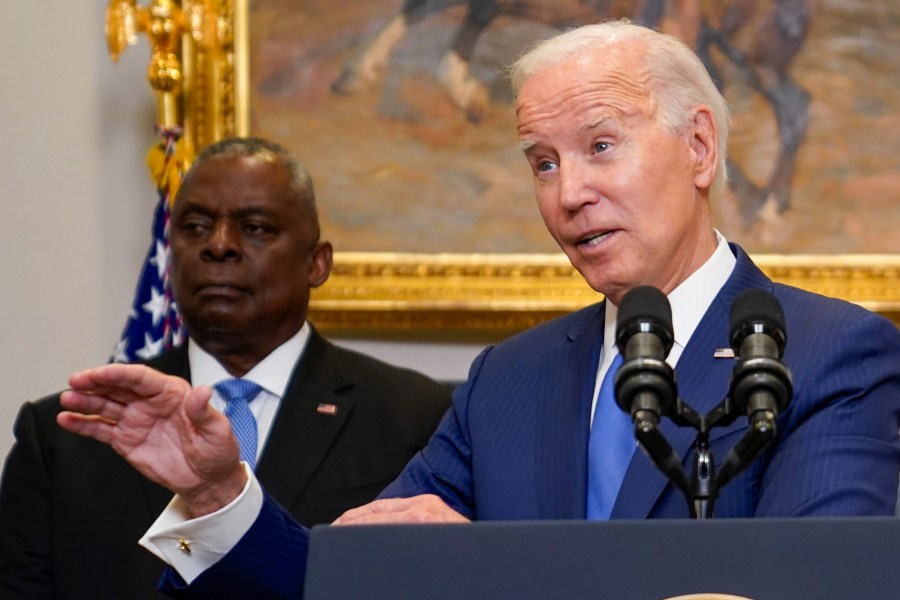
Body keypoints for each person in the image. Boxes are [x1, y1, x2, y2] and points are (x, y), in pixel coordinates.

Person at [56, 21, 900, 599]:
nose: (570, 194)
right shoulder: (509, 379)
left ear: (700, 147)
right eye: (541, 162)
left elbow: (818, 584)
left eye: (600, 146)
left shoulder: (830, 353)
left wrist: (491, 575)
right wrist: (218, 493)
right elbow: (347, 581)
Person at [0, 137, 452, 600]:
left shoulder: (413, 418)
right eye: (194, 226)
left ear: (317, 263)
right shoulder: (65, 435)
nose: (218, 246)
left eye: (254, 228)